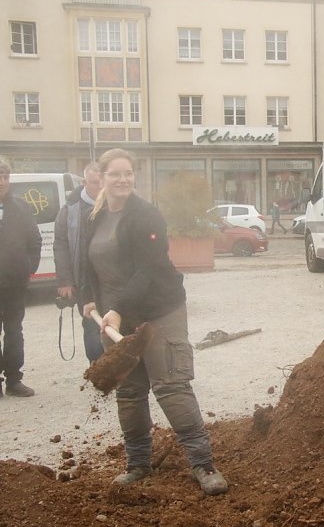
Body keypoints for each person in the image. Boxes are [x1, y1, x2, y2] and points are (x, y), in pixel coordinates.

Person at [80, 148, 228, 495]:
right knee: (130, 392)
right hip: (116, 318)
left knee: (170, 386)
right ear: (100, 177)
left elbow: (148, 269)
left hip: (159, 311)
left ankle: (203, 464)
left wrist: (117, 307)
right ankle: (138, 464)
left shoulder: (146, 216)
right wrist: (88, 296)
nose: (123, 179)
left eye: (128, 173)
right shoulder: (95, 216)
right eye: (115, 174)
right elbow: (87, 263)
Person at [54, 163, 104, 365]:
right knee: (91, 324)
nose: (100, 187)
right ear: (84, 182)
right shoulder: (69, 210)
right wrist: (65, 281)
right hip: (84, 279)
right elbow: (61, 246)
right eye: (95, 183)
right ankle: (97, 366)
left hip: (111, 277)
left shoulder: (115, 205)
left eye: (102, 182)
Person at [0, 156, 41, 397]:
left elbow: (34, 240)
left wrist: (29, 267)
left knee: (14, 332)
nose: (2, 181)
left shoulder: (21, 207)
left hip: (14, 283)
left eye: (5, 176)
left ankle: (14, 380)